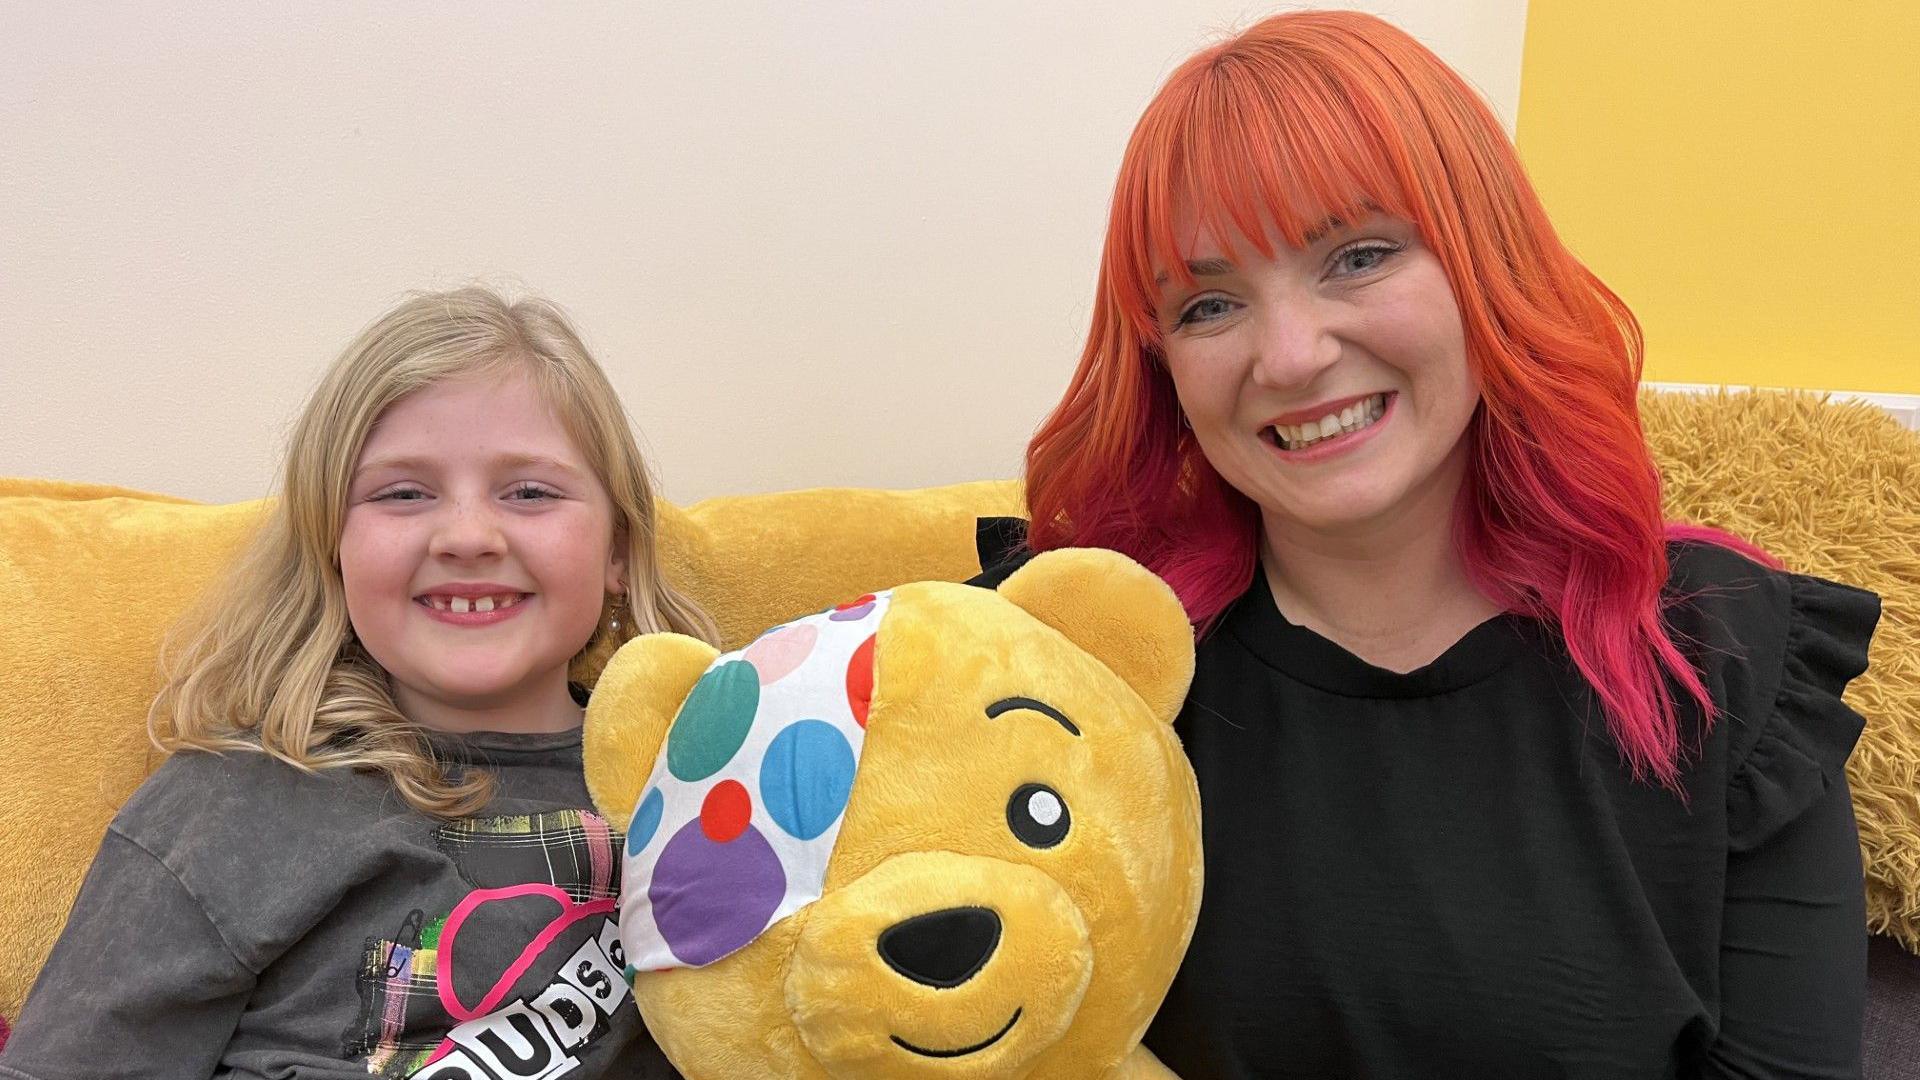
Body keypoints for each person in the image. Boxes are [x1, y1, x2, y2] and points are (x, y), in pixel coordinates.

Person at [982, 11, 1882, 1078]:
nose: (1291, 356)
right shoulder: (1065, 660)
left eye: (1357, 257)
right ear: (1161, 364)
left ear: (1485, 264)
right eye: (1210, 304)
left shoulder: (1719, 658)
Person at [1, 288, 710, 1078]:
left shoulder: (705, 782)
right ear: (330, 549)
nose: (468, 536)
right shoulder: (230, 803)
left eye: (530, 492)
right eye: (403, 493)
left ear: (619, 549)